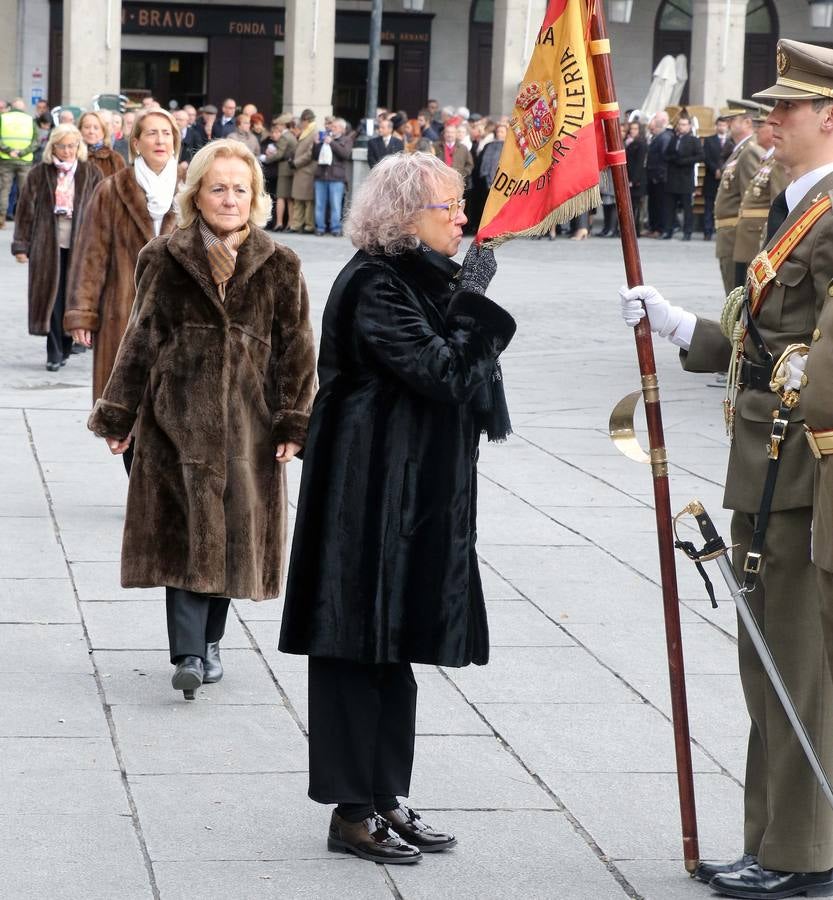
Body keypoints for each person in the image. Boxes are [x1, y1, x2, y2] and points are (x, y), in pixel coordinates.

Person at [621, 38, 833, 900]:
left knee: (793, 667)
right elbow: (761, 339)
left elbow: (817, 368)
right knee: (773, 664)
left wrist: (793, 420)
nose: (767, 119)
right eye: (769, 106)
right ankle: (780, 843)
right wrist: (679, 326)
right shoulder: (797, 209)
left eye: (786, 107)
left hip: (801, 480)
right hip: (771, 468)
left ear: (828, 116)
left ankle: (798, 856)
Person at [279, 151, 515, 864]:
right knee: (355, 644)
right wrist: (473, 300)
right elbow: (444, 371)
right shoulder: (376, 283)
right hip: (366, 495)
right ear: (406, 215)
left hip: (407, 496)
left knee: (393, 647)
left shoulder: (416, 277)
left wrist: (462, 294)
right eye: (449, 208)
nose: (462, 219)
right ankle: (351, 812)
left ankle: (385, 795)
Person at [86, 138, 317, 700]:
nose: (229, 198)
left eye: (241, 189)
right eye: (218, 188)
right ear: (197, 194)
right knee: (185, 534)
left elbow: (296, 350)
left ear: (256, 196)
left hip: (249, 429)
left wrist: (293, 423)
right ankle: (188, 653)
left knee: (233, 537)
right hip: (175, 422)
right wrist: (119, 414)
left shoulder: (280, 263)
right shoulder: (163, 257)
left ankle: (210, 642)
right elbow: (138, 340)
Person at [64, 109, 180, 465]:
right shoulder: (112, 189)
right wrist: (84, 312)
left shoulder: (192, 189)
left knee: (175, 404)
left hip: (180, 314)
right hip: (124, 310)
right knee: (127, 403)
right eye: (152, 134)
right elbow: (91, 254)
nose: (160, 140)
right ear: (136, 143)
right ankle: (137, 485)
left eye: (166, 133)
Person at [11, 124, 101, 371]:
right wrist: (22, 245)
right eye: (62, 145)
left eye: (72, 145)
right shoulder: (39, 173)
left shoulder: (90, 172)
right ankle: (54, 352)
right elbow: (25, 210)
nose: (67, 150)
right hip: (46, 244)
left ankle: (66, 342)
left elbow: (100, 212)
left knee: (72, 295)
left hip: (80, 244)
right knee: (51, 296)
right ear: (53, 147)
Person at [732, 109, 789, 288]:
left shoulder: (777, 161)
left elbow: (778, 205)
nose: (756, 129)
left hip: (757, 233)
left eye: (761, 125)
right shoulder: (768, 159)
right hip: (748, 233)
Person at [714, 102, 765, 294]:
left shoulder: (749, 150)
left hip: (736, 232)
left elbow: (751, 196)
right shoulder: (740, 150)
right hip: (729, 233)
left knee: (736, 292)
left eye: (732, 120)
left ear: (747, 122)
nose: (727, 124)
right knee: (732, 291)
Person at [662, 113, 703, 241]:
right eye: (680, 124)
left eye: (684, 124)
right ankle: (668, 230)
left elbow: (700, 156)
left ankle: (687, 232)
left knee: (687, 208)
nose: (681, 127)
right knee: (670, 207)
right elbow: (665, 155)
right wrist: (673, 159)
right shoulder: (673, 139)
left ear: (689, 126)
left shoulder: (694, 140)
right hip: (673, 177)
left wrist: (685, 161)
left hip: (686, 178)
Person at [312, 118, 354, 237]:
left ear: (341, 128)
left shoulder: (346, 140)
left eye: (335, 127)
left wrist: (332, 143)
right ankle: (320, 227)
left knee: (335, 205)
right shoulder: (324, 137)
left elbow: (345, 154)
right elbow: (315, 156)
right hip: (321, 175)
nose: (331, 128)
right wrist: (316, 144)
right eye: (331, 126)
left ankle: (336, 228)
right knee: (320, 204)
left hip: (336, 177)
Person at [0, 98, 37, 229]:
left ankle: (1, 219)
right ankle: (26, 220)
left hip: (6, 159)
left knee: (4, 189)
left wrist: (9, 151)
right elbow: (35, 142)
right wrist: (22, 152)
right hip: (25, 161)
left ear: (11, 107)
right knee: (25, 192)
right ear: (23, 108)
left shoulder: (3, 118)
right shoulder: (29, 120)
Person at [702, 116, 732, 240]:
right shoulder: (709, 140)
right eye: (719, 125)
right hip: (711, 177)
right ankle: (707, 232)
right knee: (709, 206)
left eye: (724, 125)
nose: (721, 127)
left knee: (724, 206)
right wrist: (715, 169)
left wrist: (723, 170)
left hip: (726, 179)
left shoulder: (731, 141)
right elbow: (706, 157)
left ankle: (722, 232)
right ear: (716, 126)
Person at [289, 109, 317, 234]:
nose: (300, 123)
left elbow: (310, 153)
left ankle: (308, 225)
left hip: (307, 170)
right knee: (298, 199)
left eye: (301, 120)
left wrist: (296, 162)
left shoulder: (314, 132)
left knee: (308, 201)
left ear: (306, 120)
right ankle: (296, 225)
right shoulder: (307, 131)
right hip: (301, 170)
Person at [645, 111, 673, 237]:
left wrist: (659, 176)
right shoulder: (657, 137)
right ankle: (653, 227)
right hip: (652, 176)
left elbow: (663, 158)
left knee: (659, 204)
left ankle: (659, 228)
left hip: (659, 177)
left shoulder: (665, 137)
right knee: (653, 203)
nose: (652, 130)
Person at [78, 110, 126, 180]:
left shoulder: (114, 159)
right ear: (80, 129)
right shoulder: (71, 154)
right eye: (87, 127)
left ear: (103, 132)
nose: (91, 131)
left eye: (96, 128)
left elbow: (123, 187)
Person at [624, 120, 648, 236]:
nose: (632, 131)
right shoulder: (630, 142)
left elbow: (639, 163)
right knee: (631, 206)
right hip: (630, 177)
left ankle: (636, 230)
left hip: (636, 180)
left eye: (635, 129)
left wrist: (634, 180)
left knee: (636, 206)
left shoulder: (641, 143)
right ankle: (631, 229)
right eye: (632, 129)